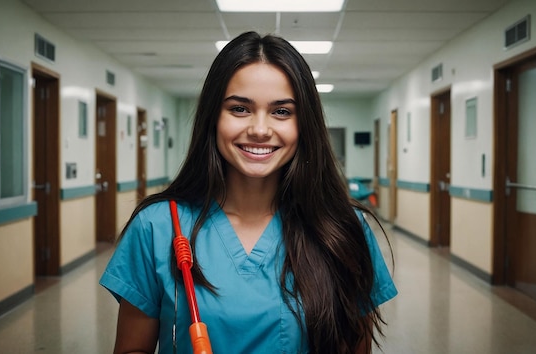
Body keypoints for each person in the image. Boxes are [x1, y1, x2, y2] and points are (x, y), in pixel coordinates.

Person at [99, 31, 397, 354]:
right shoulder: (157, 227)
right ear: (213, 118)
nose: (259, 129)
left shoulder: (343, 230)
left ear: (304, 124)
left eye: (281, 111)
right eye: (240, 109)